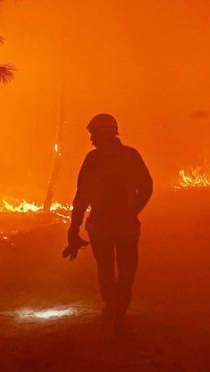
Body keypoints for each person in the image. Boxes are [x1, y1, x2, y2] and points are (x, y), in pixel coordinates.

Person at [62, 114, 153, 335]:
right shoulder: (131, 156)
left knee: (105, 267)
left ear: (102, 134)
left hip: (100, 226)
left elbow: (81, 196)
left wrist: (74, 229)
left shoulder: (93, 159)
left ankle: (113, 307)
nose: (91, 139)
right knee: (127, 269)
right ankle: (118, 310)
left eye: (93, 134)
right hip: (127, 226)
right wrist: (133, 211)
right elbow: (147, 187)